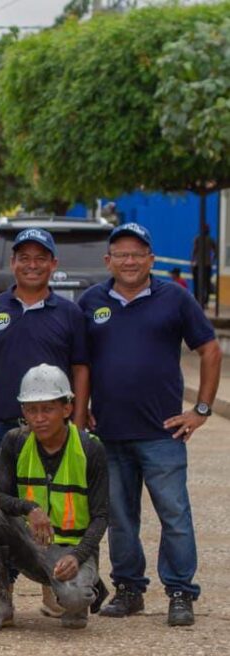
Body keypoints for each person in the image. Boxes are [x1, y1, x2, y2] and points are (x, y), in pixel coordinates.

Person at [79, 222, 222, 627]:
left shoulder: (174, 299)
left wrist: (202, 410)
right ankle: (129, 589)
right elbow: (80, 363)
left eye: (137, 254)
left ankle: (180, 592)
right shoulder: (91, 301)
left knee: (174, 515)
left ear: (151, 260)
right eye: (121, 254)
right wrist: (81, 407)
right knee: (120, 518)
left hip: (163, 434)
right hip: (109, 433)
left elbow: (210, 351)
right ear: (108, 261)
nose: (129, 261)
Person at [0, 228, 90, 618]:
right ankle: (2, 590)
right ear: (13, 263)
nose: (32, 265)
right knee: (3, 511)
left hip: (56, 433)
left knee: (52, 507)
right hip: (4, 428)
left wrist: (80, 422)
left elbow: (81, 369)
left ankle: (54, 585)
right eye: (24, 258)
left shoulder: (69, 313)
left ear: (53, 264)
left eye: (41, 258)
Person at [0, 365, 109, 632]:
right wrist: (29, 508)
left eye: (48, 409)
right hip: (29, 545)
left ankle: (81, 593)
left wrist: (78, 556)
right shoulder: (15, 442)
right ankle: (0, 604)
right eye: (32, 410)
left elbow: (101, 516)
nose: (39, 418)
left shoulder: (90, 448)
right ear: (23, 412)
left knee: (75, 598)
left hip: (70, 549)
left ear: (67, 409)